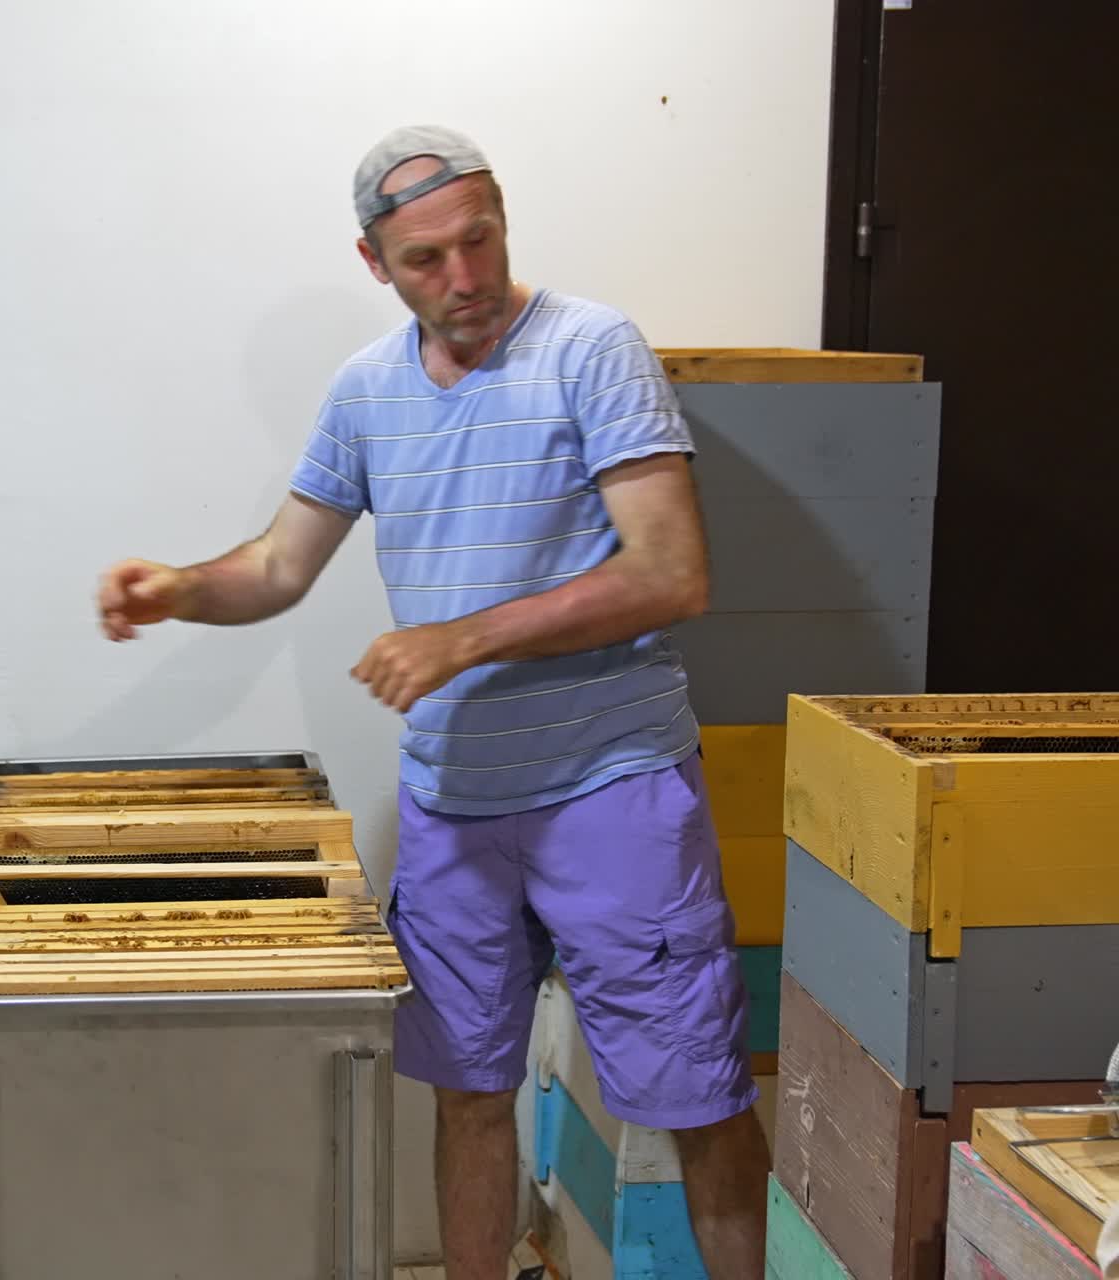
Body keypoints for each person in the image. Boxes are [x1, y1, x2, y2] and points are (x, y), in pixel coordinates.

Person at [97, 125, 770, 1279]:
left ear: (503, 215)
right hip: (457, 803)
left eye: (479, 241)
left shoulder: (590, 347)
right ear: (375, 264)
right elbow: (276, 566)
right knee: (467, 1095)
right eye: (424, 261)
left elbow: (671, 572)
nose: (463, 280)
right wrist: (179, 588)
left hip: (610, 783)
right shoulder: (366, 392)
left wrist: (461, 637)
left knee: (695, 1094)